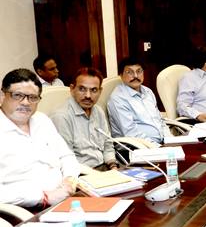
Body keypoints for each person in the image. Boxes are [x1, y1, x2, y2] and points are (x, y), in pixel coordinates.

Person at [0, 68, 78, 207]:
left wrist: (69, 179)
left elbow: (66, 156)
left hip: (65, 197)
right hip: (23, 210)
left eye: (33, 97)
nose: (25, 102)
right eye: (17, 95)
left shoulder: (42, 120)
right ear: (2, 96)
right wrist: (43, 198)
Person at [51, 67, 118, 170]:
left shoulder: (98, 111)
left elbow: (108, 145)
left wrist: (113, 166)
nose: (88, 96)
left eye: (94, 90)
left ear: (100, 91)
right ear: (72, 89)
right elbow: (66, 159)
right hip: (81, 173)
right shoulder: (62, 117)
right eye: (82, 89)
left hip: (105, 167)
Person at [107, 57, 167, 144]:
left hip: (162, 143)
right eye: (129, 72)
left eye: (139, 71)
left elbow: (160, 120)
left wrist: (170, 139)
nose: (135, 76)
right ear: (121, 75)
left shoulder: (148, 92)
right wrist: (158, 147)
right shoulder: (118, 99)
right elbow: (130, 133)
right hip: (139, 147)